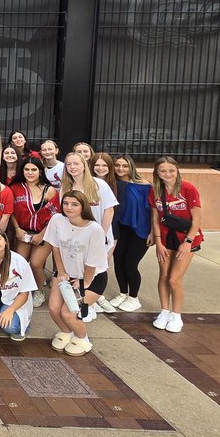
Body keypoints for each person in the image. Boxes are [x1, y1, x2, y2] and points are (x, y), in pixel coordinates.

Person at [44, 190, 108, 356]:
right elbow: (55, 247)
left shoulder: (94, 229)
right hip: (65, 274)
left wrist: (84, 284)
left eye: (74, 204)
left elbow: (92, 263)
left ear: (83, 207)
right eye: (65, 203)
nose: (69, 207)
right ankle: (67, 333)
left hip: (90, 278)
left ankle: (82, 338)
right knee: (53, 308)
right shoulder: (57, 220)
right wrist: (61, 272)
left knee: (68, 312)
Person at [149, 156, 204, 334]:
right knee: (164, 276)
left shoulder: (188, 189)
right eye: (163, 171)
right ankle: (164, 310)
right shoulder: (156, 190)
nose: (168, 174)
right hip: (165, 238)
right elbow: (155, 218)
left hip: (186, 238)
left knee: (174, 279)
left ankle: (176, 314)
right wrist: (158, 242)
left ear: (177, 170)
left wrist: (187, 242)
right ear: (157, 172)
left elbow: (197, 219)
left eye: (171, 170)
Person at [60, 151, 118, 313]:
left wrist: (101, 235)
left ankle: (93, 300)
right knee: (79, 270)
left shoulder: (99, 184)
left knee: (97, 269)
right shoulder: (66, 187)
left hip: (99, 237)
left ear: (84, 165)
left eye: (76, 163)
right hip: (76, 238)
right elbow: (65, 215)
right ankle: (84, 303)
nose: (72, 167)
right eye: (69, 164)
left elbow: (109, 211)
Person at [9, 158, 58, 307]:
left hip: (45, 232)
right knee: (20, 261)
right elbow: (9, 211)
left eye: (33, 170)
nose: (30, 173)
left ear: (40, 171)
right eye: (27, 169)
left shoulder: (49, 190)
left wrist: (42, 234)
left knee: (36, 263)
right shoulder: (15, 188)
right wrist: (17, 229)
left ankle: (38, 290)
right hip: (23, 231)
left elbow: (55, 215)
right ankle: (20, 290)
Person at [108, 154, 152, 313]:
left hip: (140, 230)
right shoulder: (113, 184)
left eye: (124, 166)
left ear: (131, 167)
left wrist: (153, 232)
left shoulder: (144, 185)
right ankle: (123, 293)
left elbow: (153, 211)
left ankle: (134, 297)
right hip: (121, 228)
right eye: (117, 165)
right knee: (118, 262)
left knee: (130, 264)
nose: (120, 169)